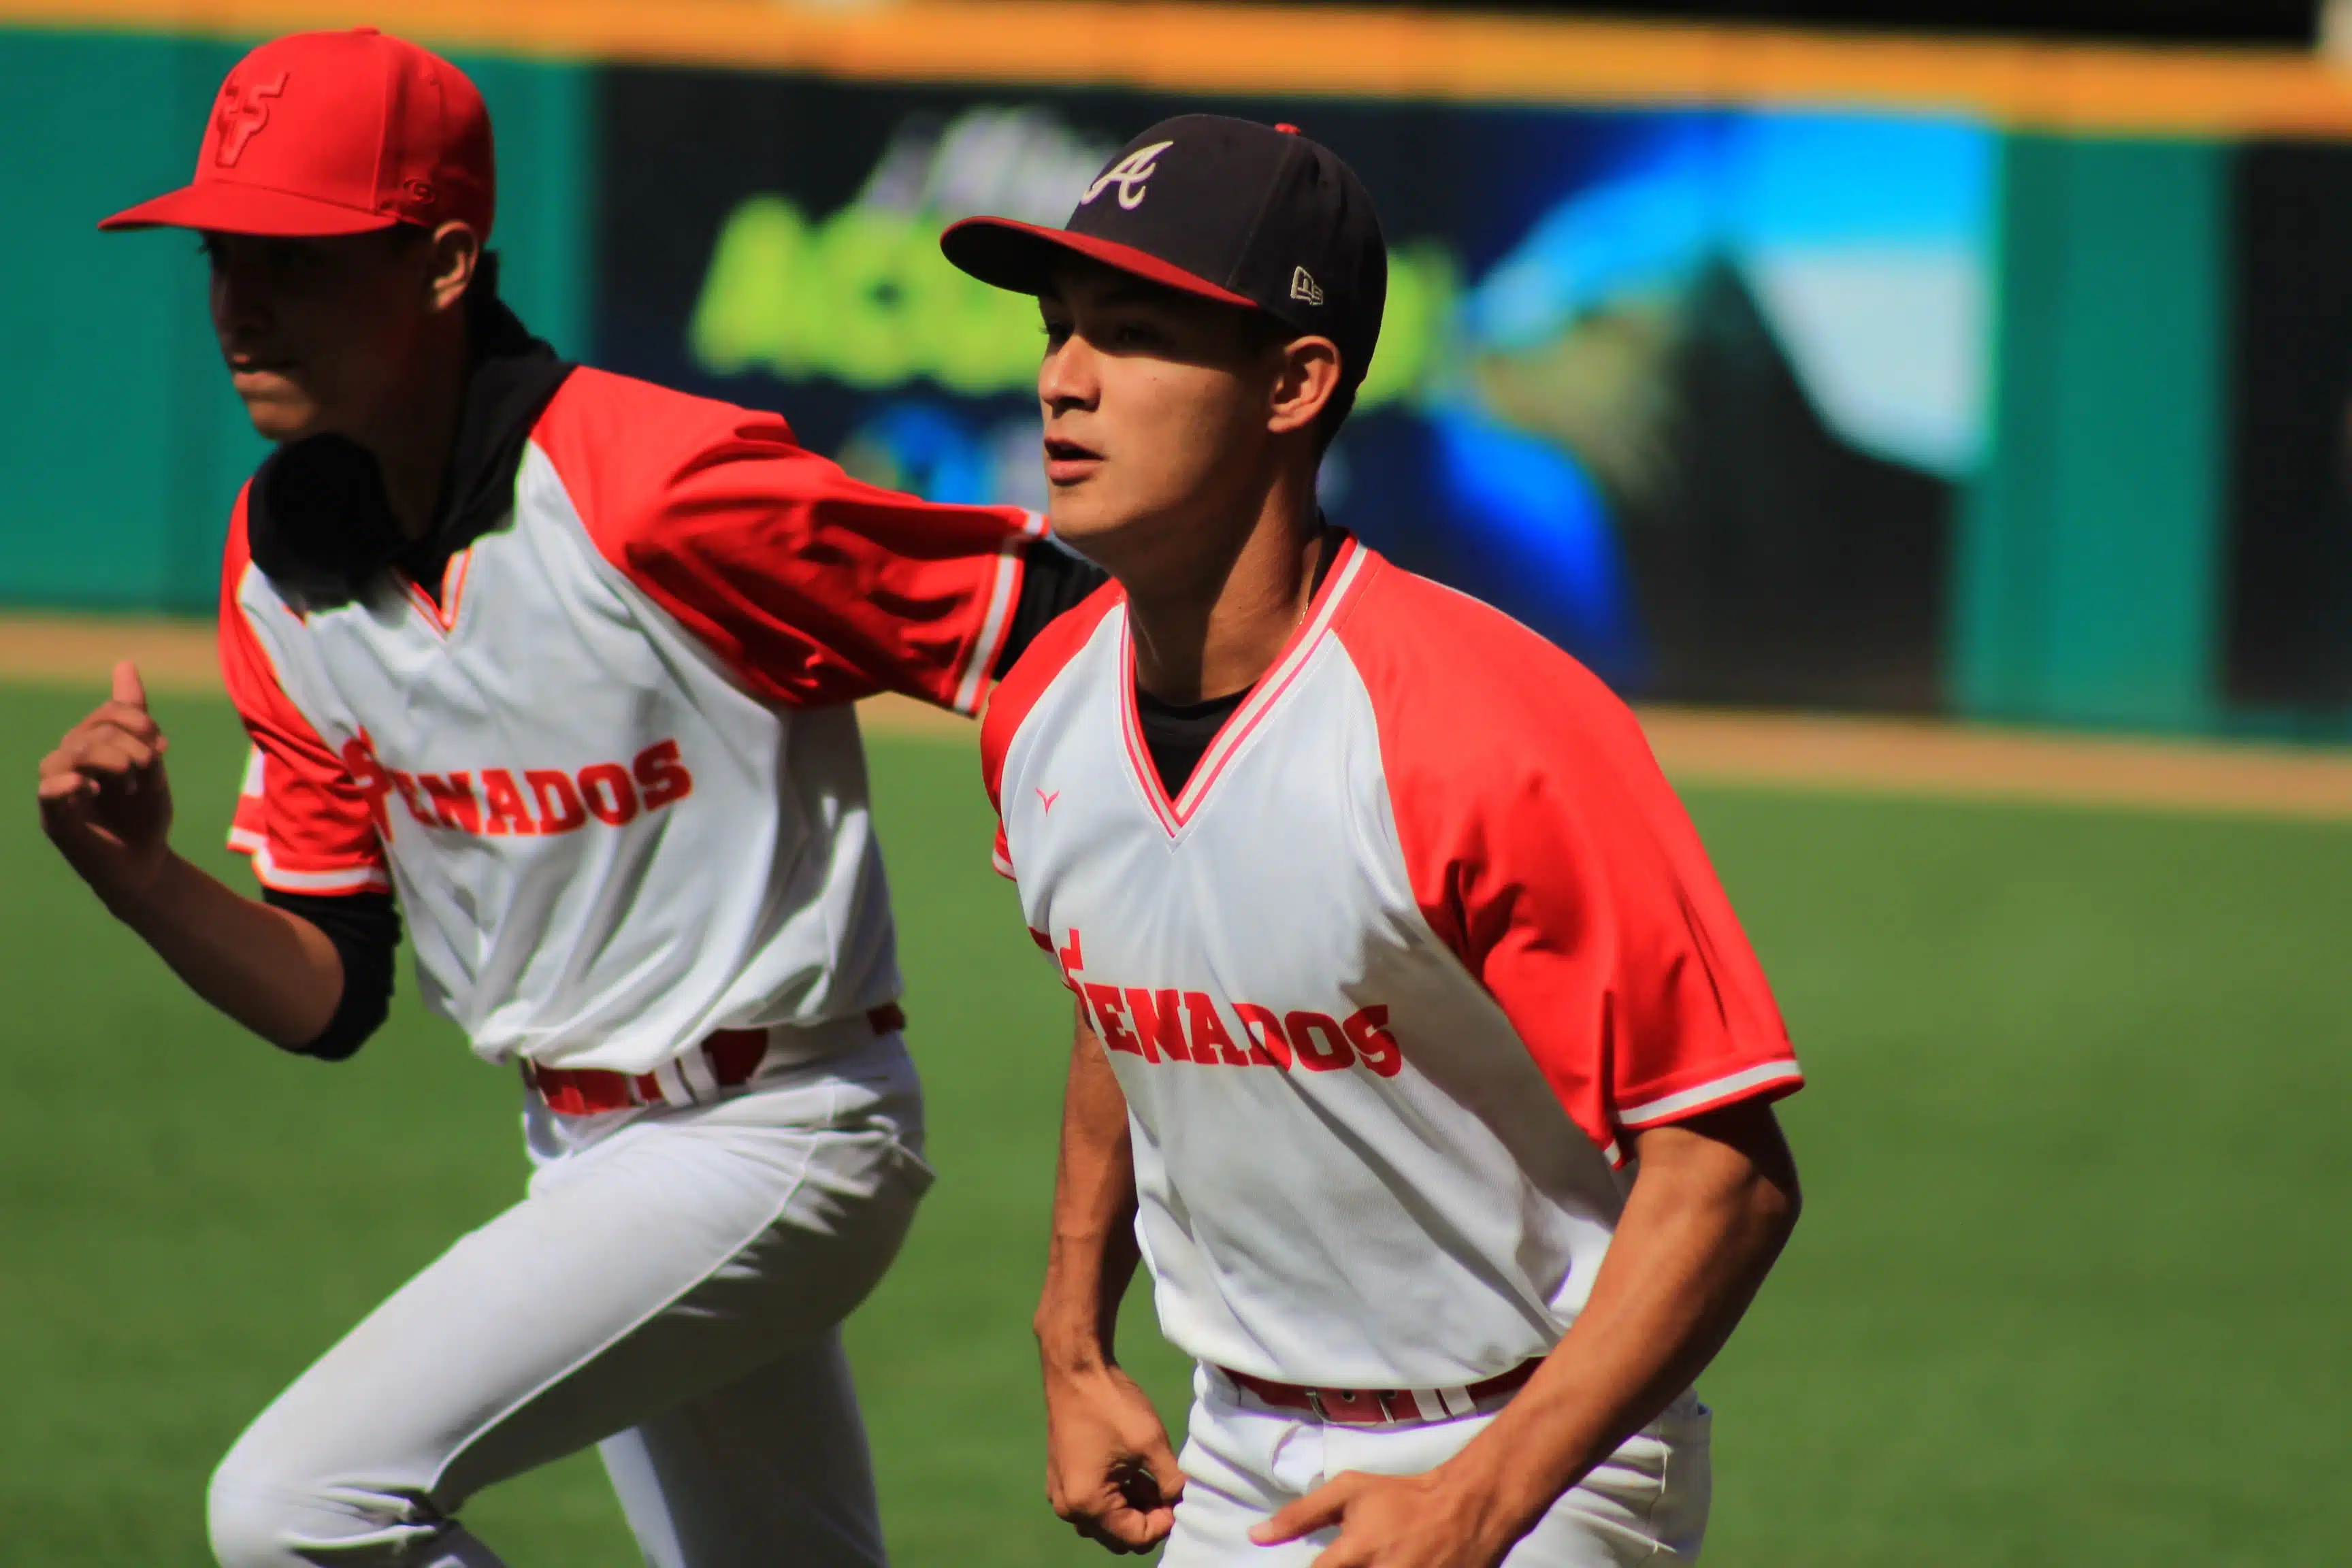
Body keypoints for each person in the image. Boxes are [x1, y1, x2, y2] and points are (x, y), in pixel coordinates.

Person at [39, 28, 1102, 1568]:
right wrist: (139, 875)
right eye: (222, 250)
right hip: (584, 1156)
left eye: (298, 254)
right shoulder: (283, 566)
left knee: (297, 1510)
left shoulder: (655, 485)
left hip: (780, 1128)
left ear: (446, 260)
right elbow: (328, 987)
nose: (239, 301)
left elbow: (1045, 620)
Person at [941, 115, 1805, 1565]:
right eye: (1057, 328)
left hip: (1533, 1446)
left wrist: (1481, 1498)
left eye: (1136, 334)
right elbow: (1132, 982)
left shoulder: (1482, 726)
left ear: (1295, 383)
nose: (1063, 381)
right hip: (1232, 1455)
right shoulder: (1039, 710)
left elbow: (1725, 1174)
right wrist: (1070, 1335)